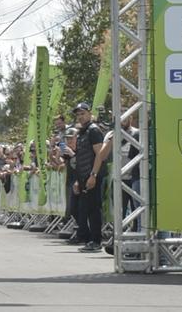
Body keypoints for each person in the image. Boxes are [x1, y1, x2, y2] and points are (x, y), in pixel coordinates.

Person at [72, 102, 105, 253]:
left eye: (82, 113)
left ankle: (96, 241)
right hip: (83, 176)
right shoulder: (81, 132)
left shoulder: (93, 130)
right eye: (78, 114)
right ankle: (88, 238)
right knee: (83, 209)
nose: (80, 117)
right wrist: (79, 180)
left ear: (89, 113)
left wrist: (94, 175)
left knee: (93, 209)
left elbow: (100, 154)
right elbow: (80, 157)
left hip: (93, 175)